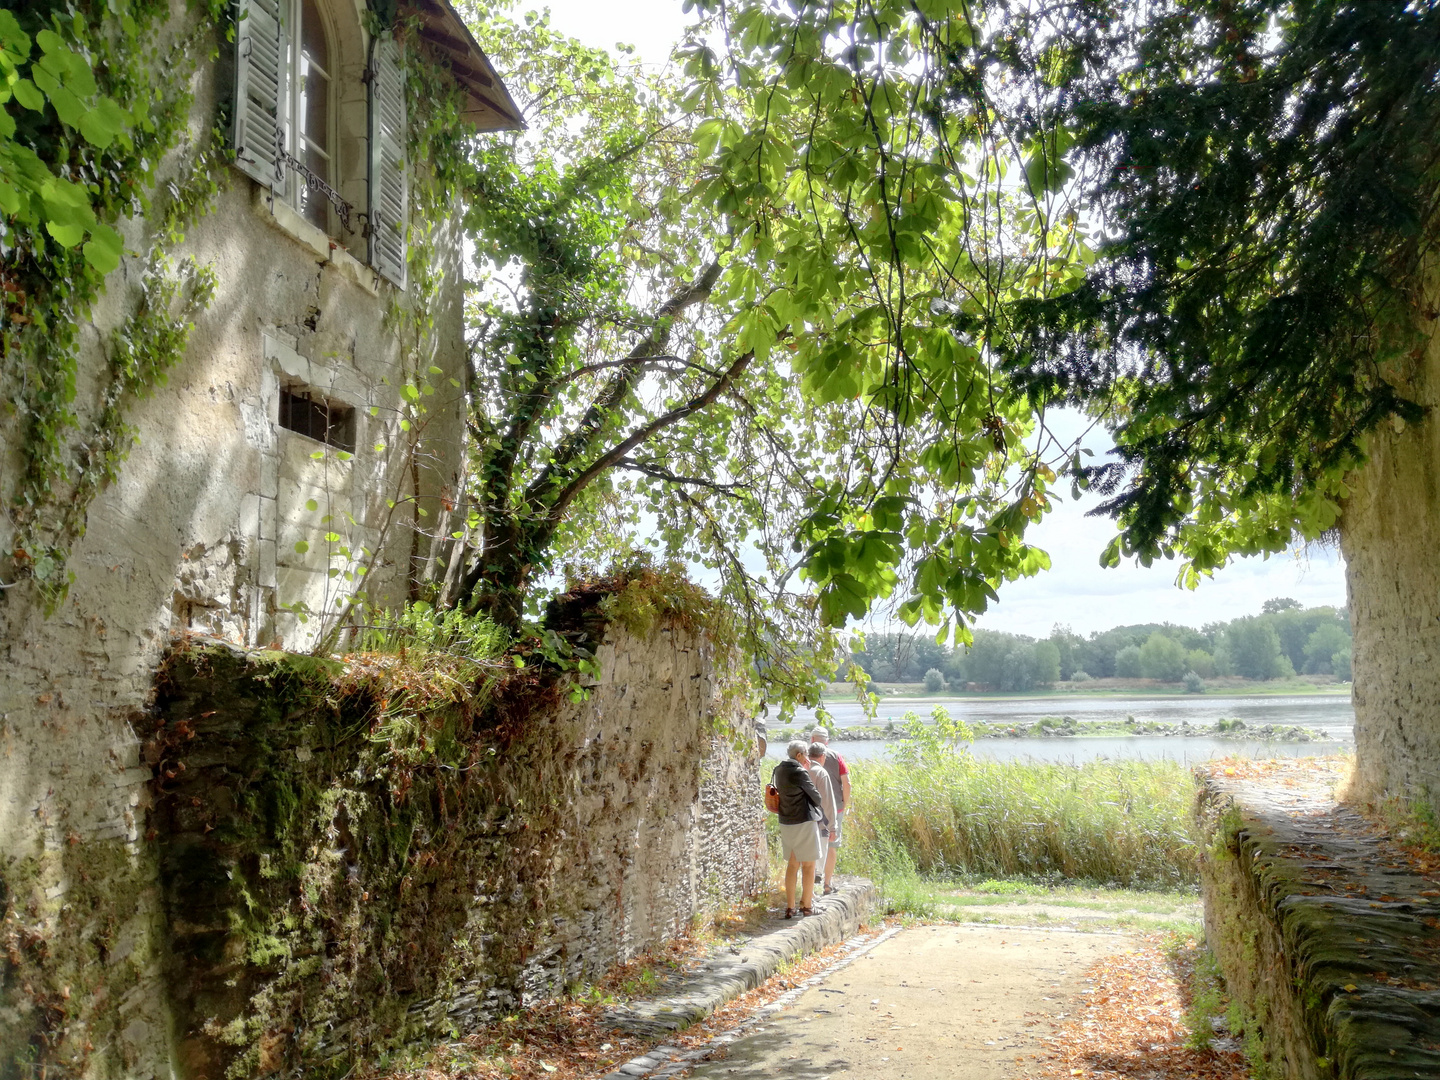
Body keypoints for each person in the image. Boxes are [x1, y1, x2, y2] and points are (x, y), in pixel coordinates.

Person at [772, 739, 825, 918]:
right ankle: (807, 906)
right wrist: (807, 772)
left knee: (792, 864)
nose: (807, 758)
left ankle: (790, 907)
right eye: (806, 755)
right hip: (804, 821)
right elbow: (817, 798)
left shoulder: (778, 769)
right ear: (799, 755)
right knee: (809, 865)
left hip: (786, 821)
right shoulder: (800, 772)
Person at [809, 726, 850, 888]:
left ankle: (811, 881)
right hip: (834, 808)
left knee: (810, 844)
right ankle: (827, 883)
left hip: (810, 808)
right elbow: (847, 783)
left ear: (812, 740)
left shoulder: (804, 757)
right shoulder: (837, 756)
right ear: (827, 741)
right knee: (832, 844)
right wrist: (844, 805)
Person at [807, 742, 839, 895]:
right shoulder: (821, 773)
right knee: (817, 860)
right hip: (820, 822)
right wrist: (833, 827)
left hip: (802, 821)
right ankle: (811, 895)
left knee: (805, 860)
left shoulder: (802, 770)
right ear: (822, 756)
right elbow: (828, 802)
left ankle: (807, 895)